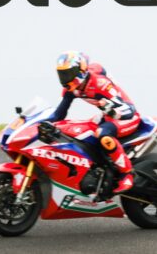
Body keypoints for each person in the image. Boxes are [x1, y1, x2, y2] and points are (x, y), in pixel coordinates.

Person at [50, 51, 139, 194]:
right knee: (72, 128)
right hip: (108, 116)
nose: (64, 78)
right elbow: (59, 114)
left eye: (68, 73)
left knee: (103, 135)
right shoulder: (72, 89)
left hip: (127, 116)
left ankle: (127, 173)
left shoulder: (100, 84)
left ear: (80, 71)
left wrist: (112, 111)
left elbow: (129, 110)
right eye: (62, 74)